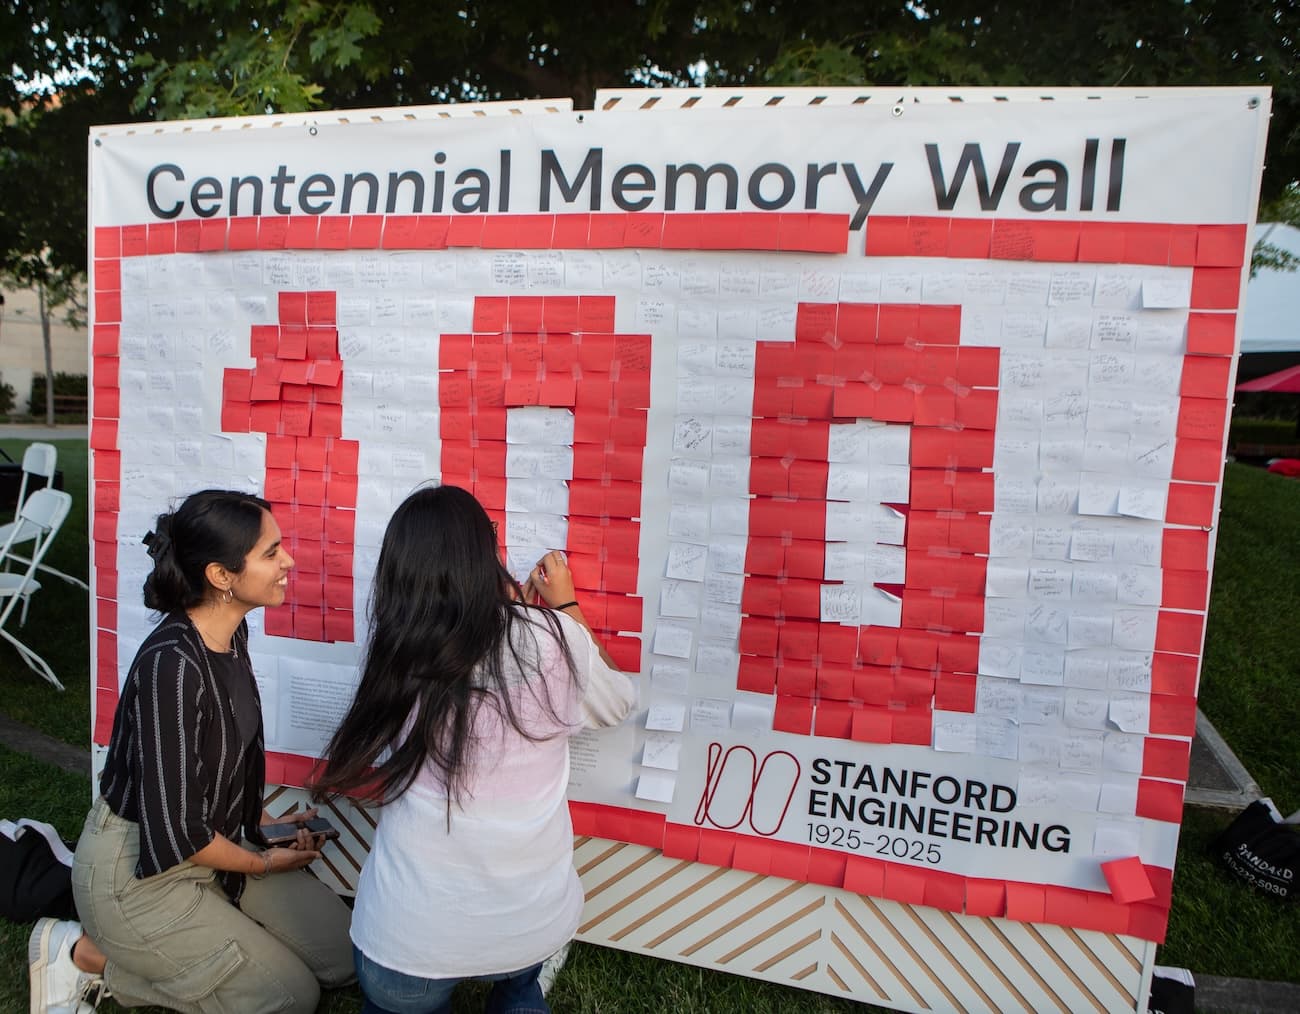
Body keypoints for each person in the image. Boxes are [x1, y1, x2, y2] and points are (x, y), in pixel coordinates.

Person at [312, 485, 636, 1014]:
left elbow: (463, 659)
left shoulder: (395, 652)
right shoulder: (551, 637)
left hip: (407, 942)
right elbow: (618, 699)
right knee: (519, 987)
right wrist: (565, 610)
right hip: (528, 927)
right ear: (483, 555)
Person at [28, 489, 354, 1013]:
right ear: (221, 576)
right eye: (271, 552)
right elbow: (179, 832)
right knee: (291, 998)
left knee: (344, 959)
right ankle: (84, 956)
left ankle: (219, 927)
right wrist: (264, 863)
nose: (288, 561)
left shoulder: (232, 633)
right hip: (140, 874)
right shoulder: (172, 668)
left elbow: (215, 766)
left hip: (213, 841)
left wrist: (263, 824)